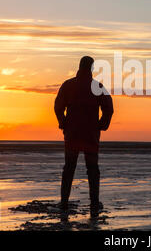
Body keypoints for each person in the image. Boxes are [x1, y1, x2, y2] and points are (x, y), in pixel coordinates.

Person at [54, 56, 113, 217]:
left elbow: (58, 106)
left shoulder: (68, 85)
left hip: (73, 133)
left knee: (69, 168)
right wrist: (102, 124)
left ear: (79, 67)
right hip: (90, 134)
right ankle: (94, 203)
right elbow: (109, 108)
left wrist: (63, 122)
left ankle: (64, 202)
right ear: (92, 68)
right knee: (92, 169)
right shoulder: (97, 86)